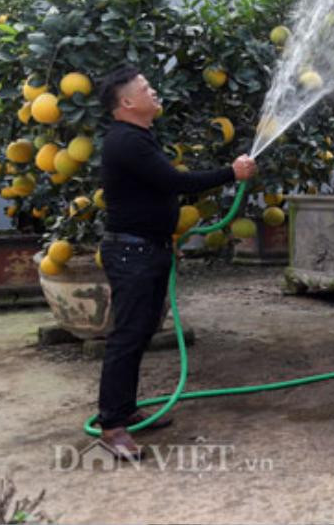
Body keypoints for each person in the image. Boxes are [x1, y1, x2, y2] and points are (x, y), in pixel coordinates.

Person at [94, 66, 256, 460]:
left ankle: (126, 409)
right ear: (128, 102)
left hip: (147, 249)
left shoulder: (138, 137)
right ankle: (113, 426)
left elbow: (155, 190)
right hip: (132, 252)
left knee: (141, 332)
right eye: (146, 88)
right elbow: (173, 182)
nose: (154, 91)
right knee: (128, 336)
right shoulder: (126, 142)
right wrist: (230, 173)